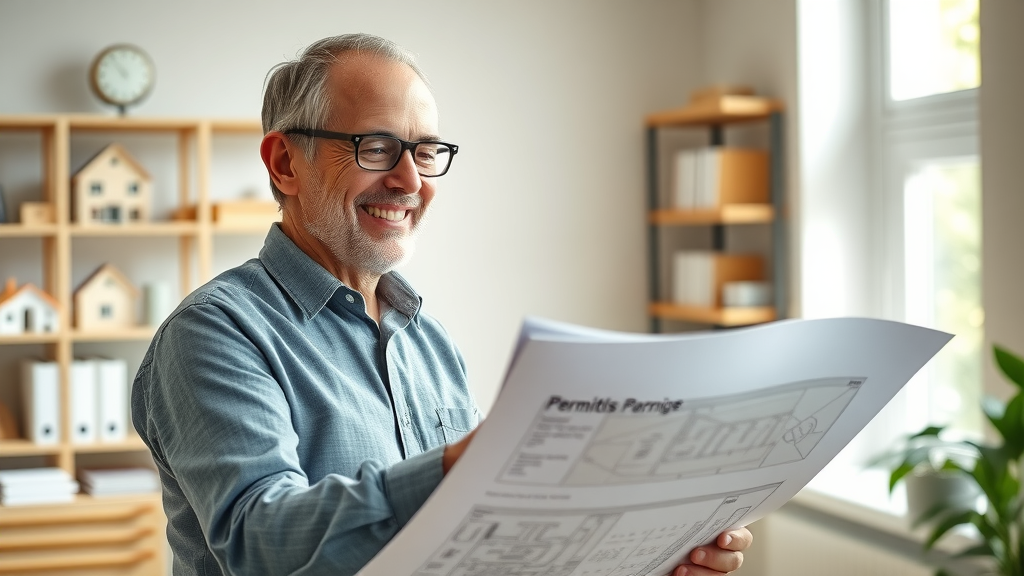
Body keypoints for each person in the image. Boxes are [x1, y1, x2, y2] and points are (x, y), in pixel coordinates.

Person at [131, 33, 752, 576]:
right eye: (376, 147)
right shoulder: (215, 334)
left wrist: (640, 555)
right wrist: (459, 468)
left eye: (425, 151)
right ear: (285, 162)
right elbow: (261, 546)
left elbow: (485, 547)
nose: (410, 181)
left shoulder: (429, 341)